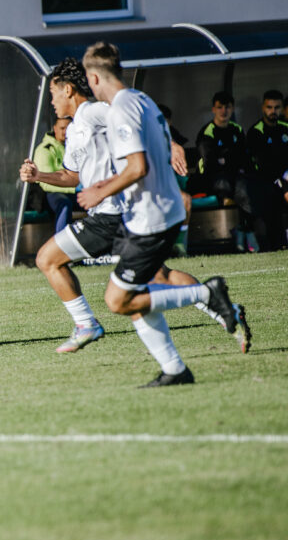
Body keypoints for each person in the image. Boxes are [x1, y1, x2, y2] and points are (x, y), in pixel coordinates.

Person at [20, 58, 227, 356]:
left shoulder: (92, 112)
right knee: (160, 276)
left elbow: (135, 117)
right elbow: (71, 176)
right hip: (122, 216)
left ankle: (86, 324)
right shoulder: (76, 128)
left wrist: (170, 145)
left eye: (52, 94)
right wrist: (39, 175)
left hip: (110, 214)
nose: (51, 102)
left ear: (67, 90)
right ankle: (223, 309)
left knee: (47, 258)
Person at [77, 43, 251, 387]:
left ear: (94, 77)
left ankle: (207, 294)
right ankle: (174, 369)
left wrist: (100, 191)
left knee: (117, 300)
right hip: (157, 210)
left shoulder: (121, 109)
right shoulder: (141, 99)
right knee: (140, 293)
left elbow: (137, 167)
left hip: (149, 217)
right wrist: (111, 183)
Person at [195, 91, 260, 252]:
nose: (223, 111)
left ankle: (244, 231)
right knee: (234, 187)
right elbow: (209, 163)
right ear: (213, 109)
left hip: (235, 177)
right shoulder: (208, 132)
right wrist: (229, 160)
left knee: (246, 187)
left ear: (232, 109)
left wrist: (226, 160)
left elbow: (244, 157)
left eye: (227, 107)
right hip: (212, 180)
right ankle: (246, 232)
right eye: (220, 107)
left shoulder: (237, 130)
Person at [246, 90, 288, 249]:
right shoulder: (256, 132)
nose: (273, 111)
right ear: (263, 108)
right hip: (266, 180)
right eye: (269, 107)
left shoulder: (285, 128)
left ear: (282, 108)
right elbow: (262, 164)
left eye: (277, 107)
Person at [157, 104, 193, 256]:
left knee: (185, 199)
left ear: (169, 122)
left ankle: (179, 246)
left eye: (164, 120)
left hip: (169, 188)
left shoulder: (176, 145)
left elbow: (183, 174)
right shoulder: (144, 139)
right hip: (150, 188)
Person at [33, 115, 76, 233]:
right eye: (62, 128)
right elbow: (45, 183)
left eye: (68, 128)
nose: (65, 132)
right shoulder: (44, 150)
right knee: (64, 204)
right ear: (55, 128)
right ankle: (61, 240)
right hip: (52, 193)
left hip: (74, 190)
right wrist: (73, 187)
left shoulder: (75, 147)